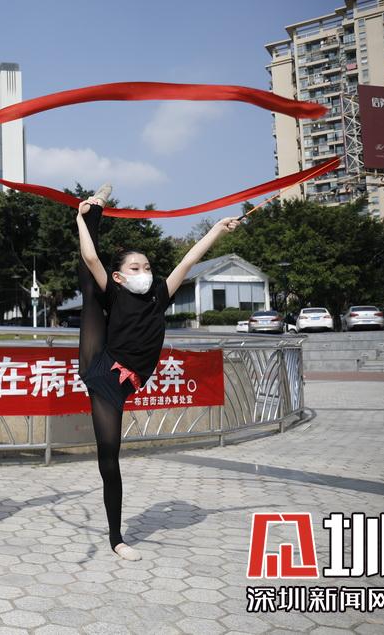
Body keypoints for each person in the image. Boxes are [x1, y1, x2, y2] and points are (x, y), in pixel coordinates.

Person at [74, 184, 239, 560]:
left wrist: (217, 228)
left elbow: (189, 259)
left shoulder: (158, 296)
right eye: (135, 268)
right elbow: (91, 257)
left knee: (111, 456)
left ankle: (96, 206)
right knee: (109, 457)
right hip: (103, 372)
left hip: (128, 377)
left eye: (147, 267)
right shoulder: (116, 292)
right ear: (119, 276)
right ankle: (117, 539)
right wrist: (80, 221)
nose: (144, 272)